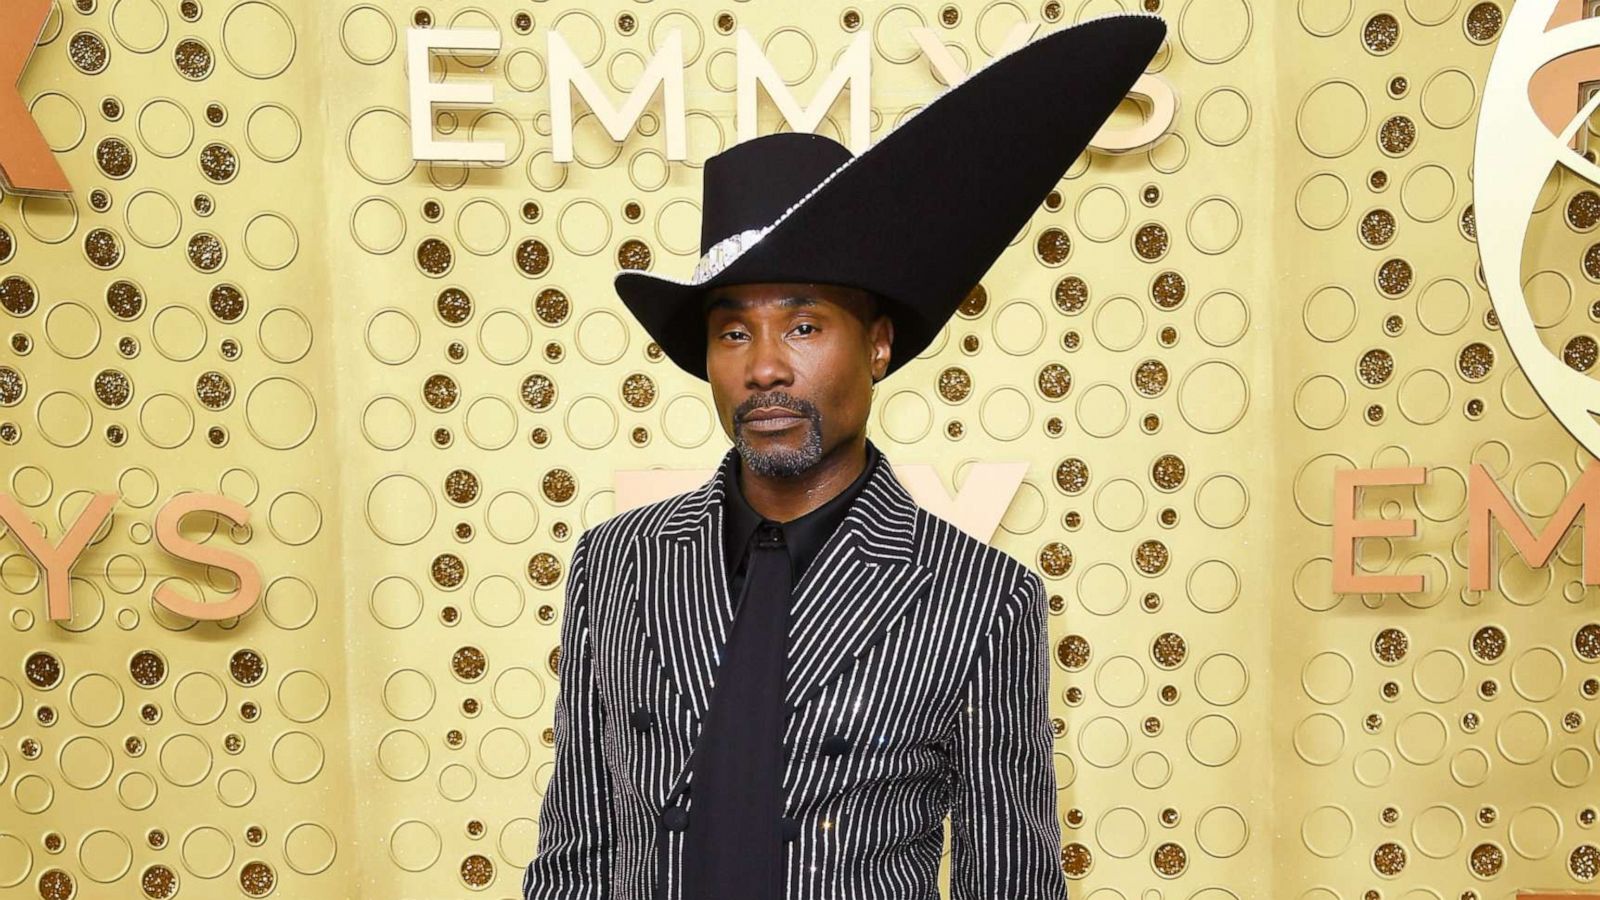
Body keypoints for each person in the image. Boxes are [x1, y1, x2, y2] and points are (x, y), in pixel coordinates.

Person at [523, 12, 1166, 900]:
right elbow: (576, 853)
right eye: (733, 331)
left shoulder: (978, 600)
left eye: (805, 324)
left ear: (876, 346)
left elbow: (1009, 881)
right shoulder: (617, 566)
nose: (766, 366)